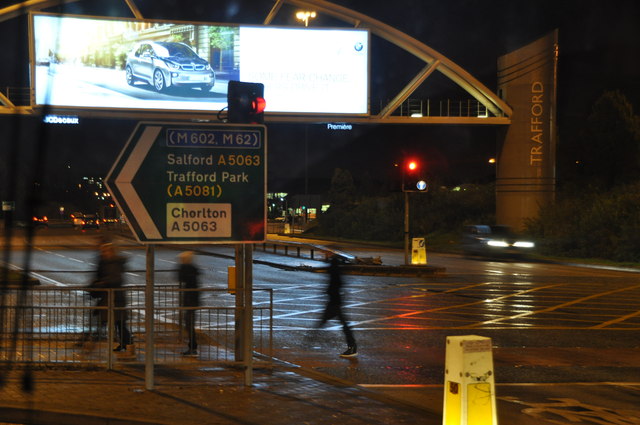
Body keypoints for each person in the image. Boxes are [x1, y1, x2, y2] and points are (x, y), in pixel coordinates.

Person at [92, 243, 133, 353]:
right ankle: (126, 343)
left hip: (116, 298)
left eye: (105, 251)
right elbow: (98, 276)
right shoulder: (104, 262)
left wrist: (103, 282)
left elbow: (117, 279)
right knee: (110, 322)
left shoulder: (115, 263)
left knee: (117, 323)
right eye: (102, 251)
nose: (103, 253)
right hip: (107, 297)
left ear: (111, 252)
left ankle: (127, 344)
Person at [316, 255, 357, 357]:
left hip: (334, 302)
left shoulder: (334, 269)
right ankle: (352, 346)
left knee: (342, 324)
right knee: (327, 322)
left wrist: (328, 292)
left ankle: (352, 347)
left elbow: (335, 284)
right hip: (335, 301)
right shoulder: (335, 268)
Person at [178, 251, 200, 355]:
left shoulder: (189, 270)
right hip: (191, 301)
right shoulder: (192, 270)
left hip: (191, 302)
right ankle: (192, 347)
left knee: (189, 325)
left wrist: (182, 266)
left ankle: (193, 348)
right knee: (188, 324)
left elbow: (180, 278)